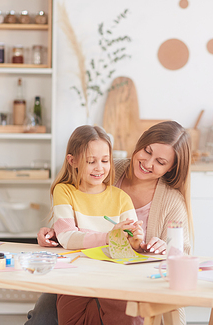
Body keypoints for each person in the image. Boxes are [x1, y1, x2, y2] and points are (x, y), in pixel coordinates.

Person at [26, 121, 193, 325]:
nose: (148, 163)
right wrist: (56, 232)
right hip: (81, 269)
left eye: (160, 161)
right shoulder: (108, 168)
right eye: (147, 151)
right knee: (42, 318)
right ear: (140, 143)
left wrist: (165, 248)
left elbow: (182, 256)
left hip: (131, 280)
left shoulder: (172, 201)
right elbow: (79, 216)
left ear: (171, 167)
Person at [46, 124, 146, 325]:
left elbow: (129, 244)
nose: (99, 168)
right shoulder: (64, 191)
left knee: (129, 316)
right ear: (72, 161)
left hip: (113, 274)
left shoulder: (121, 198)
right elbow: (67, 237)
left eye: (105, 160)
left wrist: (136, 240)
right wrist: (109, 236)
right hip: (75, 273)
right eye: (91, 161)